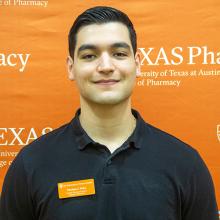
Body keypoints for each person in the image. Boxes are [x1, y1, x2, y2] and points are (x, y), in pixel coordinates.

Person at [0, 6, 218, 220]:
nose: (105, 66)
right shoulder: (31, 163)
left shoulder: (184, 163)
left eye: (119, 53)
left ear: (138, 64)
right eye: (89, 56)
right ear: (70, 67)